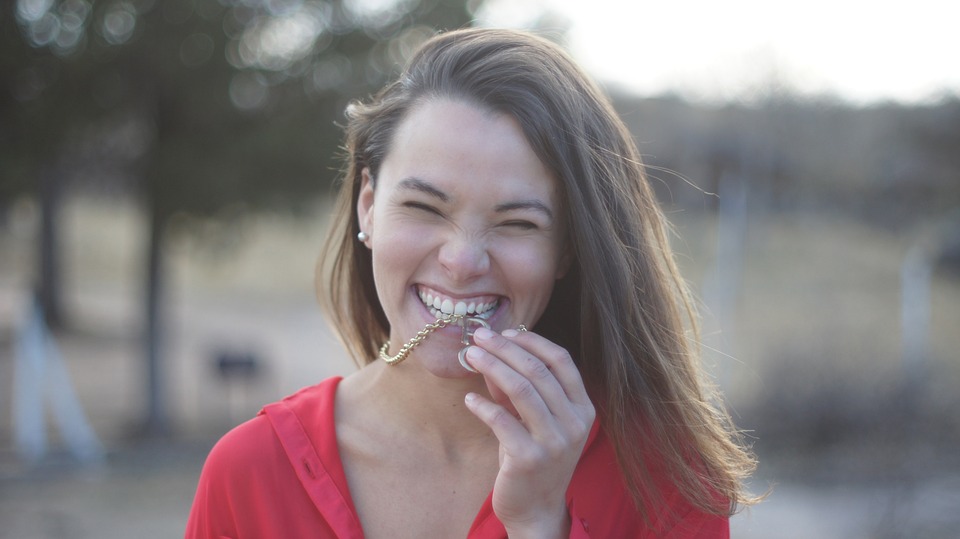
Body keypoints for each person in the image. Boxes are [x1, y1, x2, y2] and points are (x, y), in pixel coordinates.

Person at [185, 28, 757, 538]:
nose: (461, 262)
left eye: (517, 222)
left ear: (567, 250)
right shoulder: (251, 472)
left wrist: (539, 524)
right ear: (368, 207)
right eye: (425, 207)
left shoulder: (666, 481)